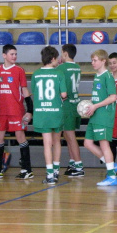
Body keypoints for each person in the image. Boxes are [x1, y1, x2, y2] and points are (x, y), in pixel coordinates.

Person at [0, 44, 33, 180]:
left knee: (20, 138)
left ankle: (27, 169)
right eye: (12, 54)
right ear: (4, 55)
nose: (14, 56)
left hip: (16, 111)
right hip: (3, 111)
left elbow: (25, 91)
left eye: (15, 54)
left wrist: (30, 110)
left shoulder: (19, 70)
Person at [32, 46, 67, 185]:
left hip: (41, 112)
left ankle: (50, 174)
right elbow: (64, 94)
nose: (58, 60)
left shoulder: (36, 74)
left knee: (47, 143)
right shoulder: (59, 74)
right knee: (57, 141)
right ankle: (57, 170)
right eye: (57, 57)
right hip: (56, 111)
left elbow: (35, 93)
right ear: (52, 59)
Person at [83, 50, 117, 186]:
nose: (93, 63)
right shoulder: (96, 76)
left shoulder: (107, 76)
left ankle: (112, 177)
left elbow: (113, 97)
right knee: (87, 143)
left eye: (95, 60)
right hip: (95, 114)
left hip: (104, 115)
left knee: (104, 145)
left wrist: (95, 106)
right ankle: (112, 165)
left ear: (104, 61)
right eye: (92, 60)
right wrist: (90, 107)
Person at [57, 44, 84, 177]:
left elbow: (61, 88)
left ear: (65, 53)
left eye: (62, 53)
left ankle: (79, 165)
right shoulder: (77, 67)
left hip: (67, 104)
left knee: (70, 136)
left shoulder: (61, 68)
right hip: (75, 103)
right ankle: (73, 162)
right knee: (68, 136)